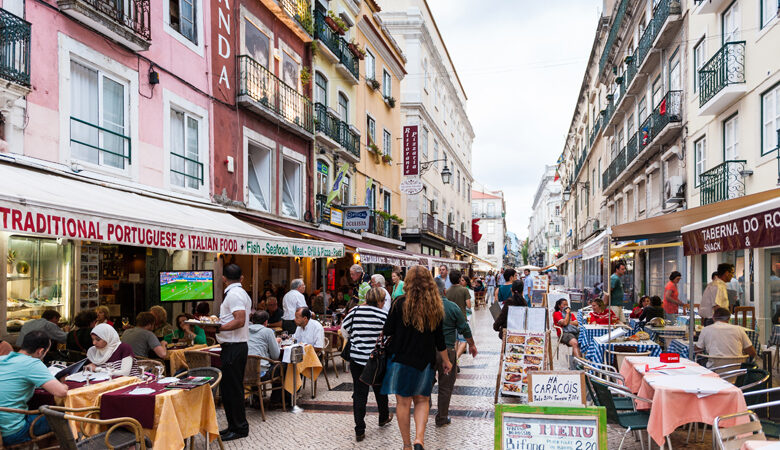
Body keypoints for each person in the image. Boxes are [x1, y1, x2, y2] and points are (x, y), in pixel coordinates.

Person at [382, 265, 451, 450]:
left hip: (401, 359)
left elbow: (387, 330)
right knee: (422, 400)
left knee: (403, 402)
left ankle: (406, 445)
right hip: (425, 362)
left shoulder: (399, 303)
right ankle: (419, 439)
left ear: (408, 281)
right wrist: (446, 360)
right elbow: (440, 339)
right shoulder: (435, 305)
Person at [0, 331, 68, 446]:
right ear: (40, 351)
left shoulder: (3, 359)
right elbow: (61, 392)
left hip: (3, 428)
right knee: (65, 417)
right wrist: (63, 383)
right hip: (12, 432)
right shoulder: (32, 363)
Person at [341, 288, 391, 442]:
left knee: (359, 393)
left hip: (357, 359)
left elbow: (344, 331)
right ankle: (383, 417)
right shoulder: (383, 315)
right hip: (376, 360)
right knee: (380, 388)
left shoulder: (355, 311)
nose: (384, 304)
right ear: (378, 301)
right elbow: (389, 337)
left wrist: (357, 339)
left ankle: (360, 429)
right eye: (383, 301)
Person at [433, 279, 477, 428]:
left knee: (425, 384)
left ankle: (423, 411)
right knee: (445, 387)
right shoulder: (452, 307)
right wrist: (471, 344)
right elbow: (464, 328)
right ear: (444, 291)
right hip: (448, 351)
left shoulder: (425, 307)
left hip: (426, 351)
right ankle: (442, 417)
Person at [217, 263, 252, 441]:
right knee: (229, 389)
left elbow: (239, 320)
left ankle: (239, 428)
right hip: (234, 345)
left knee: (234, 389)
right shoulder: (239, 292)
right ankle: (233, 425)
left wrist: (218, 328)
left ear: (224, 279)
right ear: (242, 278)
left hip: (234, 345)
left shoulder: (235, 294)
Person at [247, 311, 281, 378]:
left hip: (245, 371)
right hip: (261, 372)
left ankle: (255, 388)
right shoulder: (268, 331)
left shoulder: (245, 331)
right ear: (266, 322)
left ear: (253, 321)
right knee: (284, 366)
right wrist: (276, 343)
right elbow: (275, 356)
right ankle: (279, 389)